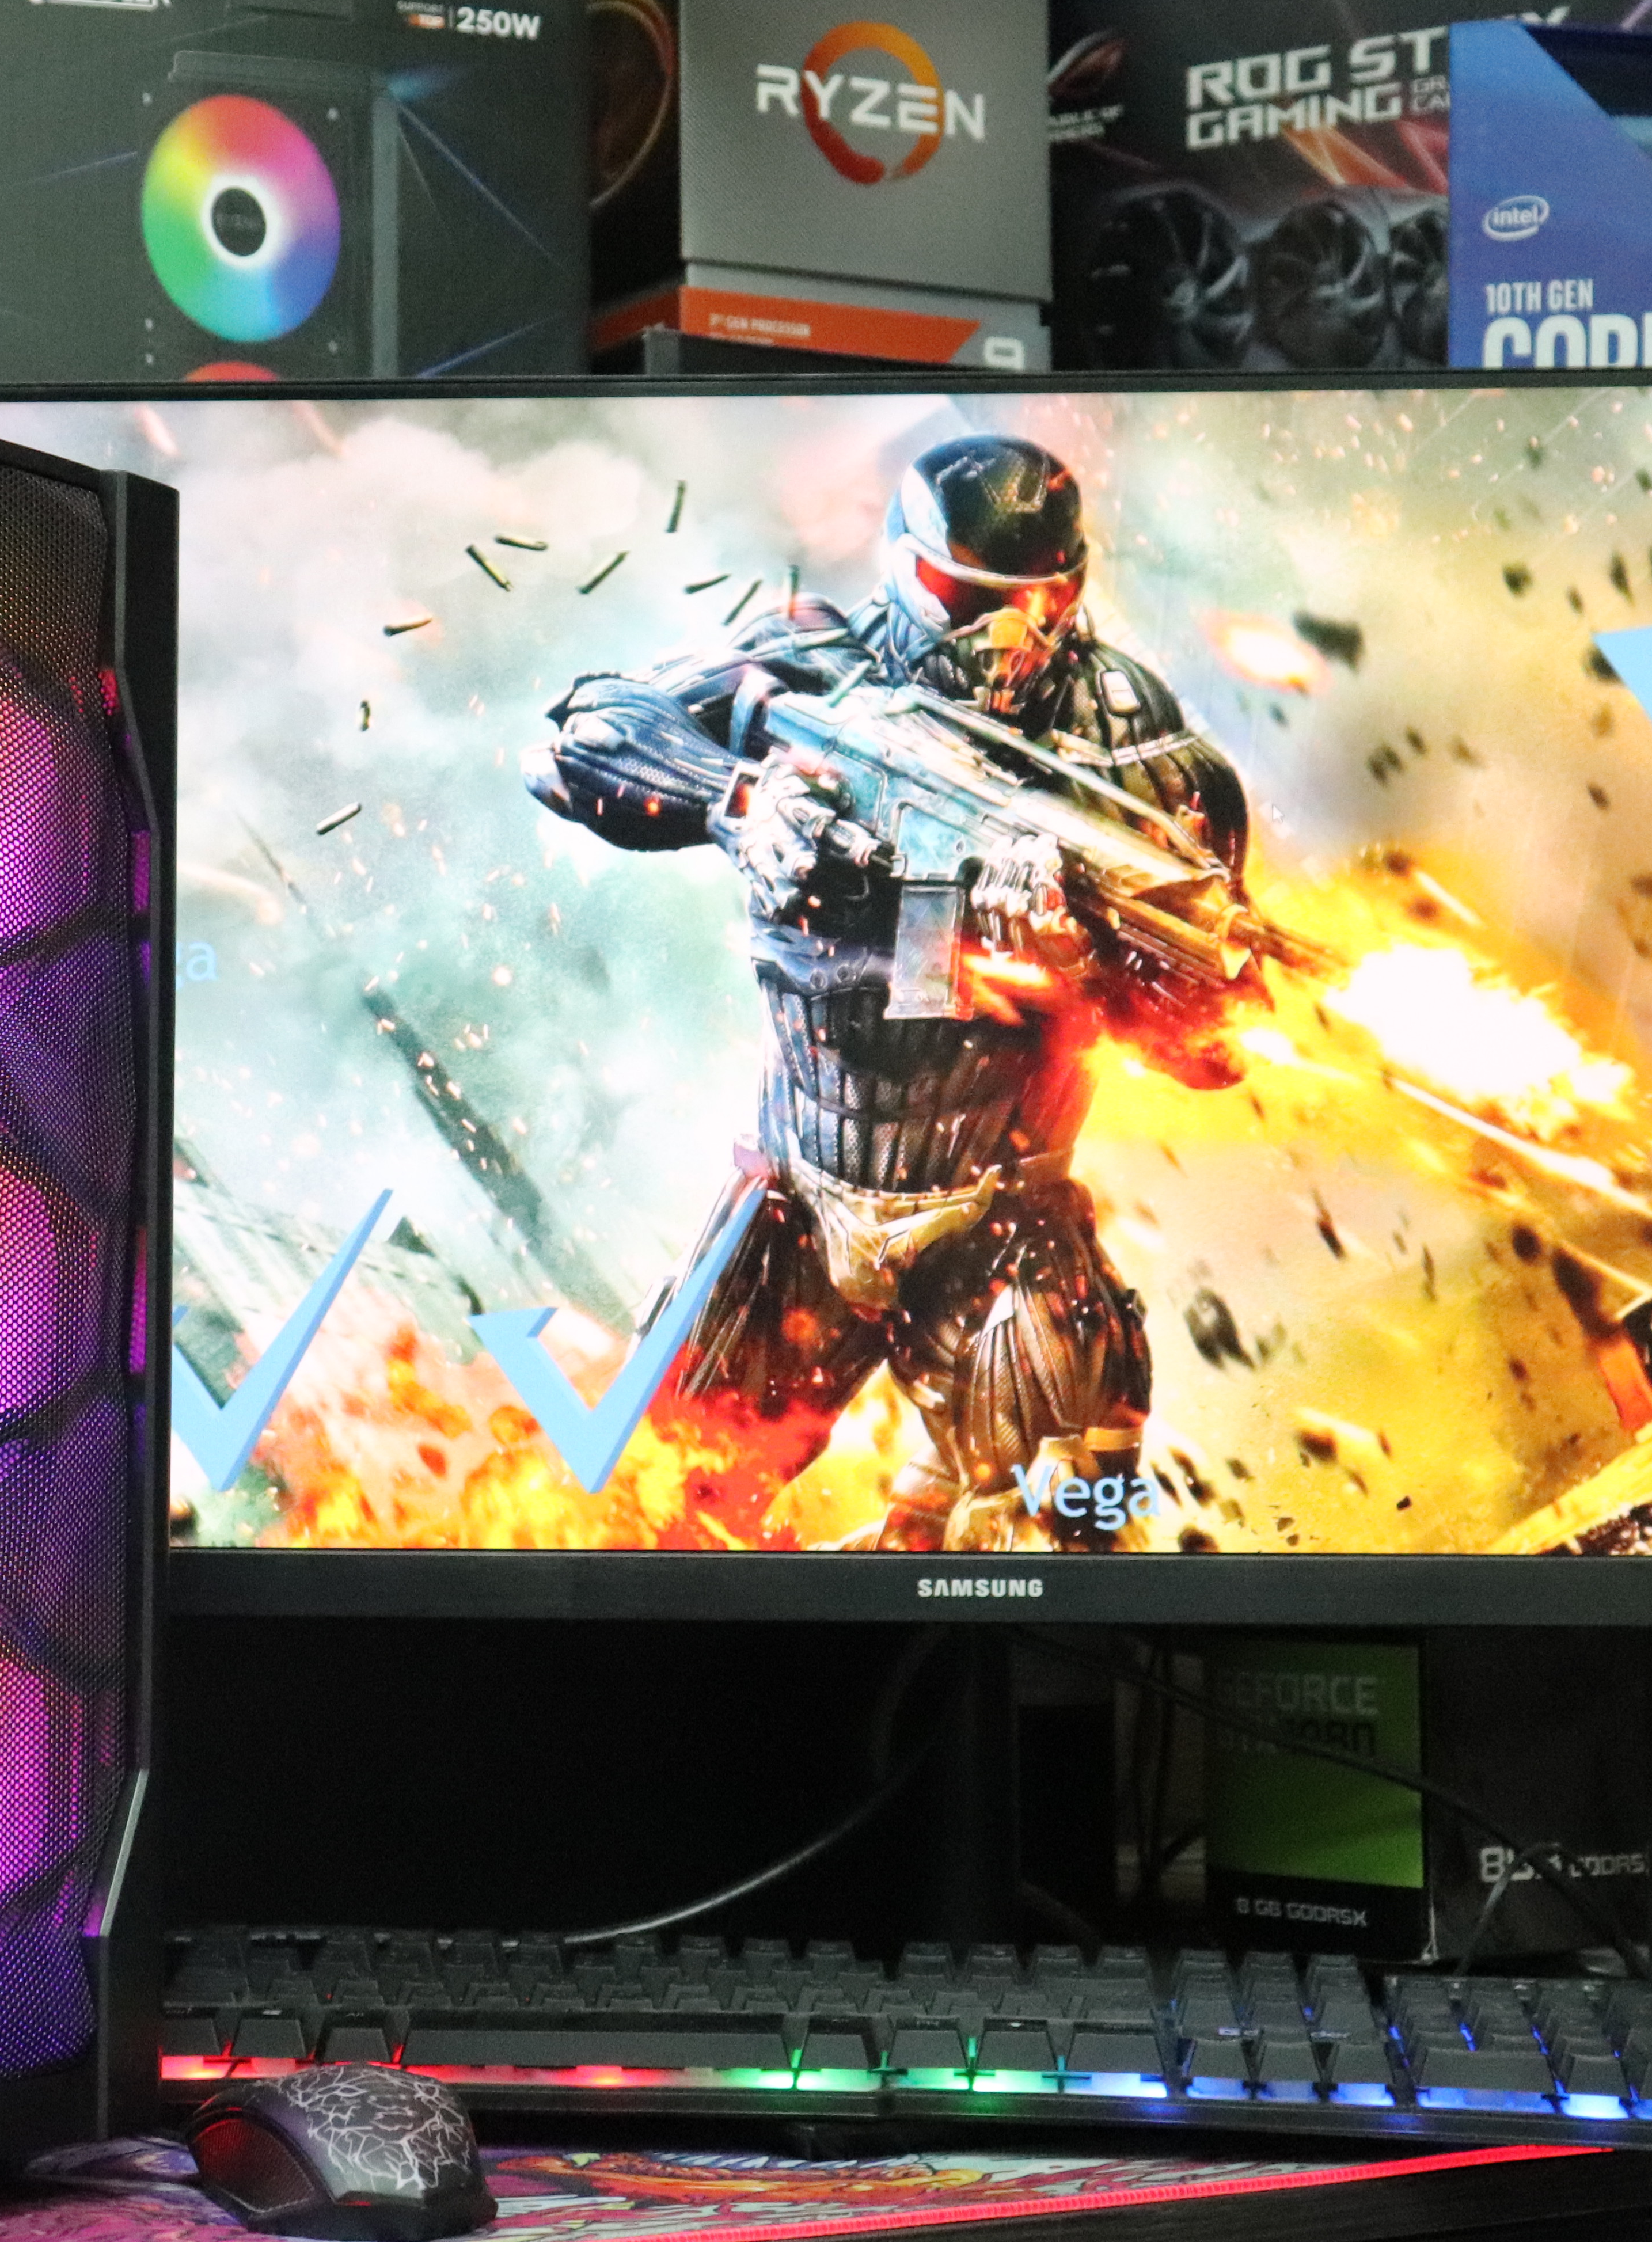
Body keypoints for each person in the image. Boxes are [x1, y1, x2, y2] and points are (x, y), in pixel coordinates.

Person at [522, 435, 1269, 1549]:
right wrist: (739, 801)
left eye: (1038, 602)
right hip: (794, 1204)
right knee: (648, 1523)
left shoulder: (1139, 761)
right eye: (965, 598)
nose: (1005, 636)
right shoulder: (814, 669)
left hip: (997, 1224)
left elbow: (1215, 1049)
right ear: (907, 568)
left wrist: (1085, 967)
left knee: (1067, 1530)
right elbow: (569, 745)